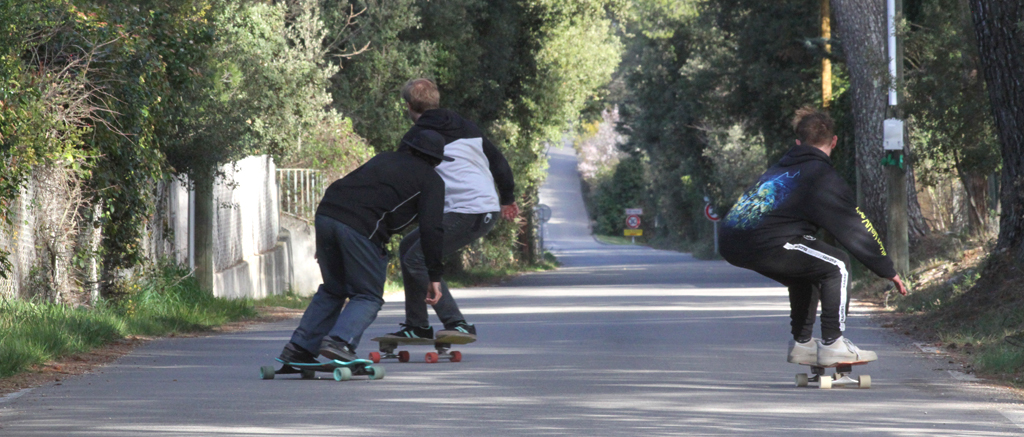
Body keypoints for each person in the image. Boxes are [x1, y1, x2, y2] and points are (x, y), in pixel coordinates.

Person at [718, 107, 908, 367]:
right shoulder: (822, 177)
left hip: (731, 239)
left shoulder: (779, 169)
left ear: (798, 143)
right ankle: (834, 344)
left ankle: (803, 345)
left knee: (807, 272)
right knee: (837, 264)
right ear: (834, 141)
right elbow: (855, 226)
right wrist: (886, 268)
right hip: (767, 240)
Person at [277, 130, 452, 364]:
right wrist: (434, 275)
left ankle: (299, 348)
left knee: (334, 289)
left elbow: (343, 186)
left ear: (408, 146)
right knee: (368, 294)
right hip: (360, 227)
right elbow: (432, 230)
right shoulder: (431, 181)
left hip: (327, 214)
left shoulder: (383, 159)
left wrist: (327, 240)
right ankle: (340, 342)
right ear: (436, 159)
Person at [382, 78, 518, 342]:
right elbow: (499, 162)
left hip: (469, 211)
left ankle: (457, 323)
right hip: (482, 208)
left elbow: (404, 182)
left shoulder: (415, 137)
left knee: (416, 258)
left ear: (409, 106)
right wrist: (507, 198)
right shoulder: (468, 127)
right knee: (409, 248)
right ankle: (417, 324)